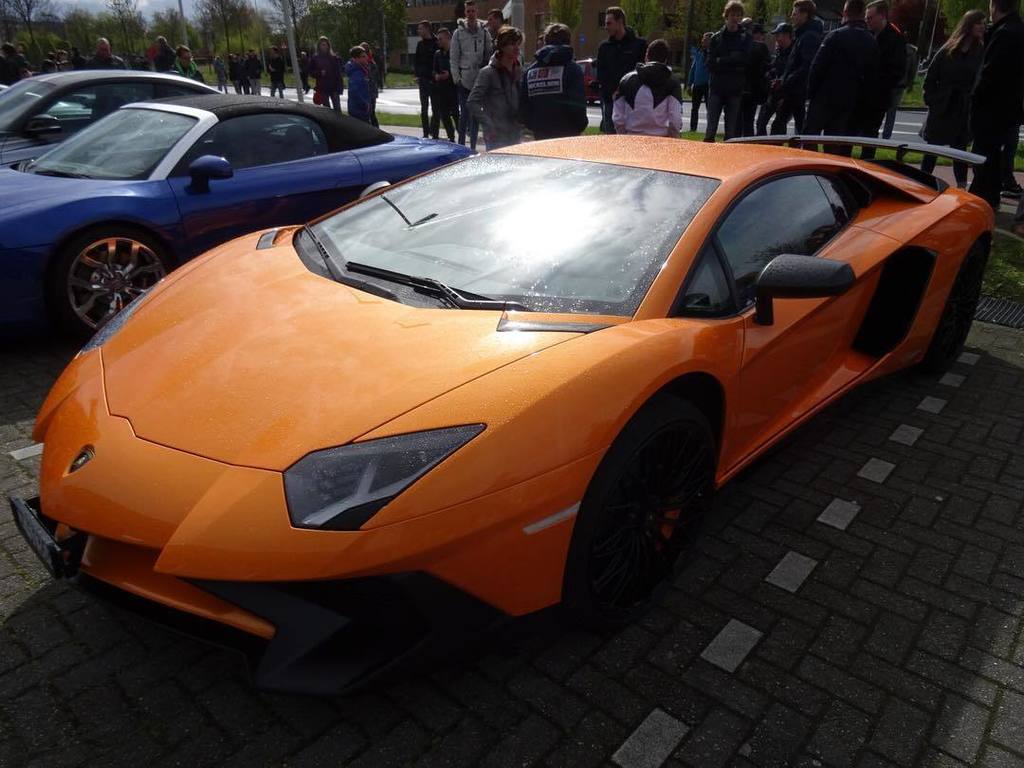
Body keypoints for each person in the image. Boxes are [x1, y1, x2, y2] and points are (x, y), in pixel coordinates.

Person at [919, 9, 984, 187]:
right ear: (969, 25)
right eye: (979, 23)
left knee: (959, 150)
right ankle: (923, 184)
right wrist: (932, 100)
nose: (982, 27)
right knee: (932, 148)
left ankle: (961, 187)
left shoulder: (980, 51)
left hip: (963, 108)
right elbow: (931, 77)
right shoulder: (947, 50)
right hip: (943, 105)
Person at [969, 0, 1024, 209]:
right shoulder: (1016, 31)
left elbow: (989, 76)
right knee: (993, 164)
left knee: (985, 164)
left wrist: (974, 101)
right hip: (1007, 111)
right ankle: (988, 202)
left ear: (994, 6)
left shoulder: (1005, 34)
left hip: (992, 112)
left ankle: (983, 206)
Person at [804, 0, 878, 140]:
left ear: (845, 13)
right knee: (835, 142)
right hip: (849, 101)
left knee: (810, 138)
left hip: (824, 97)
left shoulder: (835, 36)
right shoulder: (871, 41)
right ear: (863, 14)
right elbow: (872, 76)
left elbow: (817, 67)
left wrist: (810, 93)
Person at [520, 23, 588, 140]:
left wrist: (536, 126)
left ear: (545, 42)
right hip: (568, 135)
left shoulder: (530, 71)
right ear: (568, 42)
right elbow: (578, 105)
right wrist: (579, 126)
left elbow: (524, 108)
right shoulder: (573, 69)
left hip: (540, 135)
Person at [857, 1, 906, 158]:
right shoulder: (866, 34)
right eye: (866, 17)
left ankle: (867, 165)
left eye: (870, 17)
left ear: (882, 16)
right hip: (861, 94)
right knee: (850, 133)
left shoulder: (895, 38)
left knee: (870, 135)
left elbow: (896, 71)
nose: (867, 20)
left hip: (877, 97)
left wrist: (877, 83)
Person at [771, 0, 823, 134]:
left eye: (795, 13)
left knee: (782, 125)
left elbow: (806, 65)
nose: (792, 16)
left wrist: (786, 81)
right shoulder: (804, 35)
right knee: (797, 125)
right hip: (795, 88)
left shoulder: (808, 37)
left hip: (797, 89)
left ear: (805, 14)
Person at [613, 38, 683, 137]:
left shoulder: (627, 79)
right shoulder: (672, 82)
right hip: (661, 141)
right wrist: (672, 139)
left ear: (647, 56)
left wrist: (623, 135)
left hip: (631, 138)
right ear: (666, 59)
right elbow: (675, 119)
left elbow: (618, 117)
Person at [469, 25, 523, 150]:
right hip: (496, 137)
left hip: (515, 134)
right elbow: (472, 102)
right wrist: (488, 125)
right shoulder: (488, 73)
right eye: (512, 44)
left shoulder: (520, 71)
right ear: (502, 46)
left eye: (518, 44)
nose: (517, 48)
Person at [704, 1, 752, 142]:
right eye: (732, 15)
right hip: (717, 87)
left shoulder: (745, 38)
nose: (735, 18)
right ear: (726, 16)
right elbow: (710, 63)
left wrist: (722, 60)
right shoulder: (716, 38)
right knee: (710, 129)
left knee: (731, 131)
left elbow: (745, 62)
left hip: (735, 88)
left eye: (738, 15)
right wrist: (732, 59)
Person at [596, 7, 647, 133]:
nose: (605, 27)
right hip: (610, 101)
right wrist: (609, 91)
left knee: (632, 140)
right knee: (611, 140)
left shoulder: (639, 45)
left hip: (633, 102)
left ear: (620, 22)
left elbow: (644, 72)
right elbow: (601, 73)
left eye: (609, 23)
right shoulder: (604, 47)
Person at [451, 0, 493, 149]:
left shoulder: (484, 32)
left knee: (475, 115)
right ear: (465, 13)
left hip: (479, 79)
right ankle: (461, 145)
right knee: (464, 115)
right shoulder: (458, 33)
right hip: (464, 79)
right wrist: (457, 78)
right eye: (468, 11)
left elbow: (489, 54)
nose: (470, 14)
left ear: (477, 12)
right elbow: (454, 57)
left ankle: (473, 147)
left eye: (473, 11)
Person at [758, 23, 792, 134]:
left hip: (785, 95)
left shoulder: (793, 53)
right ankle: (762, 148)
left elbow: (791, 74)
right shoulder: (779, 52)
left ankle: (776, 148)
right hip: (773, 94)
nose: (776, 38)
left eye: (778, 35)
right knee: (761, 122)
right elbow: (774, 68)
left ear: (787, 35)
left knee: (778, 127)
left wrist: (785, 95)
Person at [742, 21, 771, 136]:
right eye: (759, 33)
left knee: (741, 120)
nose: (761, 36)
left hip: (743, 86)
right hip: (754, 88)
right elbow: (768, 65)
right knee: (749, 119)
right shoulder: (761, 47)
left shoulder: (743, 46)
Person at [432, 27, 459, 140]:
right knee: (444, 116)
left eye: (441, 39)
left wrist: (450, 75)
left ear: (448, 38)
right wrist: (437, 76)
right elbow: (434, 70)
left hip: (453, 89)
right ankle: (451, 138)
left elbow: (460, 69)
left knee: (456, 115)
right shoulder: (438, 54)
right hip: (441, 90)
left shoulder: (456, 53)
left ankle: (461, 137)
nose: (438, 41)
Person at [415, 21, 439, 138]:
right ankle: (425, 133)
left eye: (420, 29)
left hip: (434, 80)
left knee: (436, 108)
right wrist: (418, 75)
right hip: (423, 80)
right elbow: (416, 61)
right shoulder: (420, 44)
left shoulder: (436, 43)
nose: (418, 31)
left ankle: (434, 131)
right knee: (424, 108)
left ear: (427, 29)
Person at [312, 37, 343, 114]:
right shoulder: (315, 58)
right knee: (327, 111)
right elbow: (310, 71)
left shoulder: (334, 58)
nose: (324, 46)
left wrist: (340, 87)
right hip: (323, 88)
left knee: (338, 110)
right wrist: (319, 73)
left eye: (326, 45)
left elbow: (338, 74)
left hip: (334, 87)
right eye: (322, 45)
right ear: (319, 46)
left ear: (329, 46)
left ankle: (339, 125)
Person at [687, 33, 712, 133]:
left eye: (706, 40)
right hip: (697, 85)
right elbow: (693, 69)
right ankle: (693, 128)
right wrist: (689, 84)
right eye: (703, 39)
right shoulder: (699, 53)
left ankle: (710, 129)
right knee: (694, 108)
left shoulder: (713, 53)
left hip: (708, 85)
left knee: (709, 108)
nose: (704, 41)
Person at [346, 46, 373, 123]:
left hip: (361, 110)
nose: (366, 58)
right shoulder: (356, 73)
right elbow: (355, 92)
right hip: (358, 111)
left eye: (366, 56)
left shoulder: (361, 71)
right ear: (356, 59)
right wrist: (365, 105)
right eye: (363, 56)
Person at [360, 43, 381, 127]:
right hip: (365, 92)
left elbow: (372, 78)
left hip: (371, 92)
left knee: (371, 113)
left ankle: (376, 130)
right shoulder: (358, 64)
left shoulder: (371, 64)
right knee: (366, 114)